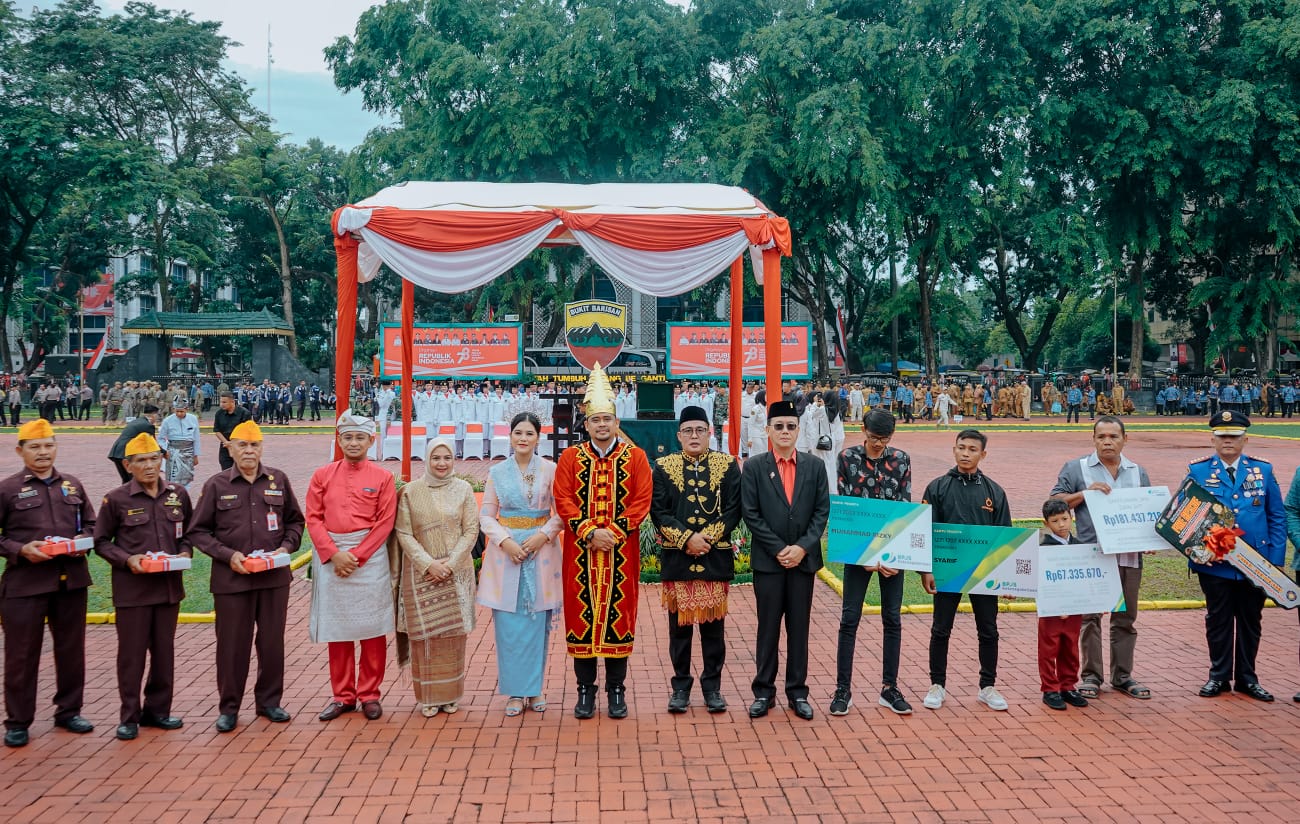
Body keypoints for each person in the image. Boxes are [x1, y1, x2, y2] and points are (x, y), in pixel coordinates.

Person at [187, 420, 304, 732]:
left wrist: (285, 548)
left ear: (262, 447)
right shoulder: (216, 485)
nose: (249, 451)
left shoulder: (277, 480)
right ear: (231, 447)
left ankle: (269, 702)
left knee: (271, 643)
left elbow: (295, 522)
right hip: (232, 580)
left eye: (254, 445)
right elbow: (198, 531)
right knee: (232, 645)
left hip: (272, 580)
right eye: (242, 445)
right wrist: (229, 556)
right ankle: (229, 707)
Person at [553, 363, 653, 719]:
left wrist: (614, 532)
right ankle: (585, 690)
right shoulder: (570, 457)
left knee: (619, 617)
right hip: (580, 554)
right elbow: (562, 497)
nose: (601, 425)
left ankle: (616, 690)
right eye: (595, 420)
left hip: (620, 553)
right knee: (581, 618)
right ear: (587, 423)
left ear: (616, 422)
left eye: (606, 419)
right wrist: (587, 532)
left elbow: (642, 499)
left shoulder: (635, 457)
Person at [0, 419, 97, 748]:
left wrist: (81, 541)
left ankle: (69, 711)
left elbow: (93, 525)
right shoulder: (8, 489)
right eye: (35, 447)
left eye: (48, 445)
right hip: (25, 583)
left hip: (70, 581)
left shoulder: (72, 485)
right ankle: (17, 720)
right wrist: (20, 550)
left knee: (71, 650)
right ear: (20, 450)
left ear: (56, 447)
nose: (43, 452)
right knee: (21, 654)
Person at [93, 433, 191, 740]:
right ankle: (129, 715)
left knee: (164, 653)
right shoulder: (116, 499)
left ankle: (158, 710)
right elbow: (100, 542)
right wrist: (127, 560)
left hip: (167, 588)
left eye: (154, 459)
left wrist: (186, 552)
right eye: (141, 461)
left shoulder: (177, 494)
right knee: (132, 655)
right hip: (132, 591)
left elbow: (189, 532)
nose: (149, 466)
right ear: (128, 465)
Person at [1049, 415, 1153, 700]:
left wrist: (1150, 539)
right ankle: (1091, 677)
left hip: (1129, 556)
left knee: (1125, 618)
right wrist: (1083, 493)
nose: (1107, 442)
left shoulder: (1137, 472)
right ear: (1093, 439)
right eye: (1101, 437)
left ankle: (1123, 676)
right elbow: (1053, 503)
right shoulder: (1077, 468)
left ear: (1124, 439)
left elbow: (1148, 512)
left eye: (1113, 437)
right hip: (1091, 555)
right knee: (1089, 618)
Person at [1185, 411, 1284, 702]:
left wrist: (1275, 558)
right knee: (1218, 620)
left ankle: (1247, 678)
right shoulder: (1198, 472)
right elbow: (1185, 517)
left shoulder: (1262, 471)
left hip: (1256, 562)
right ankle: (1218, 676)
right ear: (1212, 439)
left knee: (1251, 619)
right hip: (1216, 563)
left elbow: (1276, 516)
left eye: (1235, 436)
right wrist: (1200, 551)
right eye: (1223, 436)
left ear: (1245, 439)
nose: (1228, 441)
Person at [741, 400, 830, 721]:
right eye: (778, 426)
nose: (785, 432)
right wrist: (780, 548)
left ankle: (798, 692)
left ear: (798, 429)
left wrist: (802, 548)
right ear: (767, 431)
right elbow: (750, 513)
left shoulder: (814, 467)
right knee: (767, 630)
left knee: (799, 629)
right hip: (769, 562)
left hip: (803, 563)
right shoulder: (753, 467)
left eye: (790, 426)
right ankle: (763, 692)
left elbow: (821, 513)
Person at [306, 411, 397, 722]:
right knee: (339, 630)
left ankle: (370, 694)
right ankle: (342, 695)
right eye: (348, 437)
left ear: (372, 441)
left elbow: (385, 523)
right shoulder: (322, 475)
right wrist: (333, 553)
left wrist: (357, 556)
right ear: (339, 440)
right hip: (332, 558)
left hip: (368, 560)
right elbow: (313, 518)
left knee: (373, 630)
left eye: (360, 437)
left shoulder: (383, 478)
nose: (354, 442)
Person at [650, 405, 741, 715]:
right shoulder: (663, 466)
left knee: (714, 631)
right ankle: (680, 687)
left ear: (709, 433)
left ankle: (712, 687)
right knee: (679, 631)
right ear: (679, 435)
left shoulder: (727, 465)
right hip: (678, 559)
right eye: (687, 431)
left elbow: (733, 509)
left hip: (714, 559)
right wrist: (687, 539)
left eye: (699, 430)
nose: (693, 436)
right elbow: (658, 511)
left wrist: (708, 539)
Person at [920, 429, 1013, 712]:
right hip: (947, 571)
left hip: (983, 573)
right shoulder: (937, 488)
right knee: (940, 629)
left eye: (972, 449)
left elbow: (1005, 538)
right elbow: (924, 532)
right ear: (954, 449)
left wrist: (1006, 578)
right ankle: (937, 685)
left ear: (982, 454)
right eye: (961, 447)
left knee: (988, 630)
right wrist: (926, 570)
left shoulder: (994, 491)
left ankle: (988, 686)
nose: (965, 453)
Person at [479, 413, 564, 717]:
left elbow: (563, 510)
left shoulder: (551, 470)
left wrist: (543, 535)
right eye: (518, 433)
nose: (523, 438)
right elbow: (487, 515)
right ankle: (515, 692)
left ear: (538, 437)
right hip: (507, 554)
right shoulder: (497, 472)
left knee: (535, 623)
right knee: (509, 626)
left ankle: (534, 688)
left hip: (541, 553)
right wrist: (505, 541)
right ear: (510, 436)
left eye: (529, 433)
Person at [831, 409, 914, 717]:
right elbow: (846, 507)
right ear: (862, 429)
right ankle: (843, 689)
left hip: (893, 552)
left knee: (892, 618)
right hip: (858, 551)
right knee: (849, 618)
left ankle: (889, 687)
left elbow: (904, 507)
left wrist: (890, 554)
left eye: (885, 439)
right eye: (874, 437)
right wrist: (864, 555)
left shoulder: (901, 459)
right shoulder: (848, 458)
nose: (879, 444)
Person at [393, 438, 479, 717]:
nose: (442, 463)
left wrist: (450, 565)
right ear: (427, 459)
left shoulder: (464, 489)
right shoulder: (410, 491)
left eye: (447, 458)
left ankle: (451, 695)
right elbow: (404, 532)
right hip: (421, 576)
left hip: (456, 574)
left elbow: (471, 530)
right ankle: (428, 697)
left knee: (453, 637)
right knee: (425, 638)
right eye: (436, 458)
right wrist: (429, 564)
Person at [1037, 499, 1089, 711]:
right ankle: (1050, 688)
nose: (1061, 525)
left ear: (1072, 518)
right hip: (1051, 610)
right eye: (1055, 521)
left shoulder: (1081, 548)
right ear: (1046, 523)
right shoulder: (1043, 549)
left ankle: (1068, 685)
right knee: (1049, 648)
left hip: (1074, 608)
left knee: (1070, 647)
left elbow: (1088, 577)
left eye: (1065, 519)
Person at [108, 404, 161, 484]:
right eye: (157, 415)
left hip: (116, 453)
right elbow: (153, 445)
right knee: (135, 482)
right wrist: (165, 452)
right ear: (153, 415)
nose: (158, 418)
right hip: (125, 454)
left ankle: (124, 496)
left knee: (126, 482)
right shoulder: (147, 425)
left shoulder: (138, 421)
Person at [157, 399, 201, 488]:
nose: (179, 414)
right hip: (173, 452)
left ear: (187, 409)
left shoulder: (193, 419)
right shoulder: (167, 421)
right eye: (177, 411)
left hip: (188, 452)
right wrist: (166, 451)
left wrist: (196, 455)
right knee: (173, 477)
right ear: (173, 409)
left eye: (182, 411)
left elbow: (196, 438)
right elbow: (160, 438)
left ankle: (184, 495)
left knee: (187, 476)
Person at [213, 391, 253, 472]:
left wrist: (235, 443)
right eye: (221, 402)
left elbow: (248, 431)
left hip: (241, 447)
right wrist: (227, 443)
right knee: (226, 473)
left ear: (232, 402)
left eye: (224, 402)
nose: (221, 404)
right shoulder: (219, 413)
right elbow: (217, 430)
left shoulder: (244, 413)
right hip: (225, 447)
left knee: (242, 473)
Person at [746, 389, 768, 457]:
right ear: (762, 397)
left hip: (765, 434)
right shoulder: (755, 409)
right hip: (756, 435)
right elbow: (750, 424)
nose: (767, 397)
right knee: (757, 454)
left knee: (765, 453)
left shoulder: (767, 407)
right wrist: (750, 439)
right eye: (766, 395)